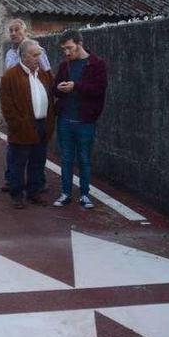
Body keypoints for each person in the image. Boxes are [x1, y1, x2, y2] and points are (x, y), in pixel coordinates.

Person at [52, 28, 108, 210]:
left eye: (70, 48)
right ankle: (66, 193)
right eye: (64, 50)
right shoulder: (64, 66)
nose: (67, 53)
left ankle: (85, 194)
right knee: (66, 158)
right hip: (65, 120)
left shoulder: (97, 64)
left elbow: (99, 90)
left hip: (85, 121)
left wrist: (76, 86)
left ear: (79, 44)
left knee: (84, 158)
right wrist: (59, 88)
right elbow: (53, 90)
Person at [0, 39, 55, 209]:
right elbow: (7, 106)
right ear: (24, 56)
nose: (39, 58)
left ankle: (34, 192)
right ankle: (17, 195)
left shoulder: (45, 75)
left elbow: (52, 98)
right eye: (35, 54)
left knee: (38, 162)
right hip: (22, 128)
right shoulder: (10, 76)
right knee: (18, 163)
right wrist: (20, 124)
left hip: (42, 126)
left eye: (40, 54)